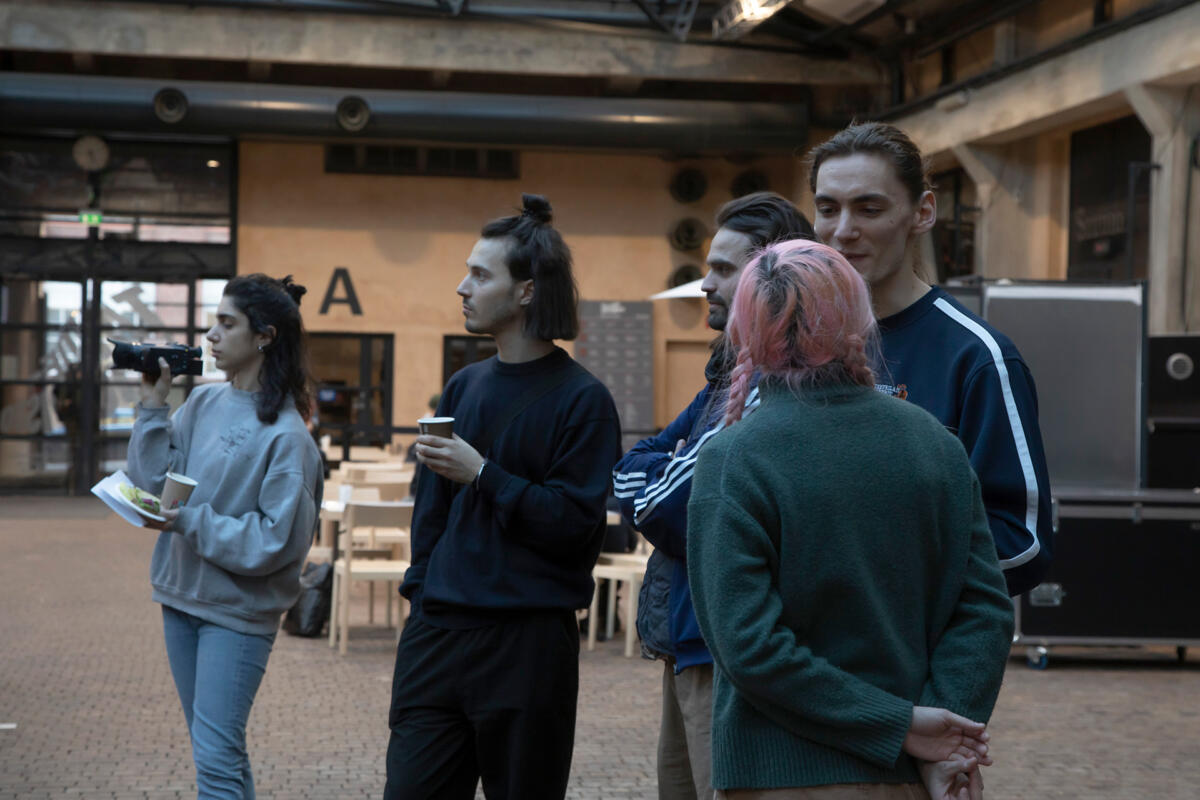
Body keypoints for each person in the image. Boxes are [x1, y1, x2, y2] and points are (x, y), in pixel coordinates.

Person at [687, 239, 1015, 800]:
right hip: (912, 779)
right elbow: (984, 609)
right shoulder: (934, 443)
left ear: (745, 332)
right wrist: (941, 738)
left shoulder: (732, 458)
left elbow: (751, 648)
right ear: (860, 321)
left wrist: (902, 727)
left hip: (778, 779)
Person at [385, 194, 622, 800]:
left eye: (480, 275)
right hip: (437, 636)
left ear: (526, 292)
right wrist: (421, 595)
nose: (462, 287)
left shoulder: (583, 400)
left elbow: (574, 525)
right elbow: (430, 513)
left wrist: (484, 475)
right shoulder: (463, 386)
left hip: (528, 647)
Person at [612, 191, 814, 800]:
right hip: (689, 644)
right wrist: (666, 467)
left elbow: (665, 508)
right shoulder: (727, 379)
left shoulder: (775, 385)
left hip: (729, 657)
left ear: (772, 278)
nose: (705, 284)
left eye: (724, 269)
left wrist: (664, 468)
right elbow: (627, 471)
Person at [808, 121, 1053, 597]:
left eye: (869, 209)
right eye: (827, 209)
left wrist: (876, 576)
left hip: (912, 641)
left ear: (922, 212)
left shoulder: (978, 358)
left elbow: (1022, 544)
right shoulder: (800, 344)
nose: (843, 231)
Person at [126, 273, 323, 799]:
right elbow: (152, 485)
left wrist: (186, 520)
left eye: (226, 323)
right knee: (217, 752)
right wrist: (153, 408)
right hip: (180, 597)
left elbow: (274, 541)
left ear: (264, 337)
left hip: (236, 613)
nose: (211, 335)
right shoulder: (203, 404)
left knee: (216, 760)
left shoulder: (288, 438)